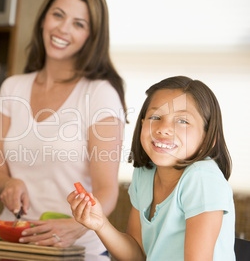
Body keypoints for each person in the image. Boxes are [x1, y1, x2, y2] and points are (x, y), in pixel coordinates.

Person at [0, 0, 127, 259]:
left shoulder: (100, 94)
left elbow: (107, 190)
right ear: (43, 19)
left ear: (91, 36)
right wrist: (9, 183)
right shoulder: (12, 87)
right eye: (58, 15)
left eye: (79, 24)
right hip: (13, 245)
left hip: (75, 251)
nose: (63, 28)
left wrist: (77, 226)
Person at [68, 76, 235, 260]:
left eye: (182, 121)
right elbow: (137, 255)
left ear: (208, 137)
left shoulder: (202, 178)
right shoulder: (145, 173)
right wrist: (100, 224)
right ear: (141, 124)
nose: (163, 128)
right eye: (155, 117)